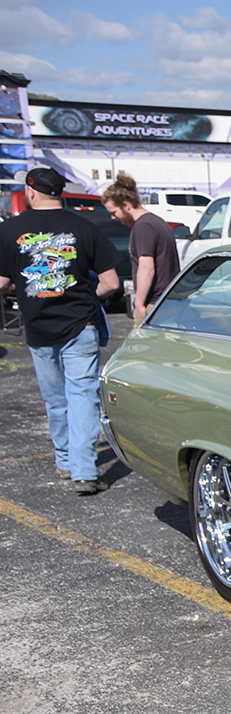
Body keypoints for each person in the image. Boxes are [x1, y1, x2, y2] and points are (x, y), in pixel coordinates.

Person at [0, 167, 121, 494]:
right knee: (82, 396)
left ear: (31, 191)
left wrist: (24, 290)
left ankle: (65, 462)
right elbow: (111, 283)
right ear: (60, 192)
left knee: (55, 399)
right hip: (80, 324)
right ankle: (84, 471)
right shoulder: (84, 227)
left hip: (38, 326)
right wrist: (85, 293)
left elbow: (2, 282)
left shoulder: (9, 229)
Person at [101, 173, 181, 322]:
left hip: (153, 303)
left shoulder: (143, 226)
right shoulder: (156, 221)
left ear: (126, 205)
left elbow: (146, 267)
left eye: (114, 212)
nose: (113, 217)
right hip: (168, 300)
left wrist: (138, 302)